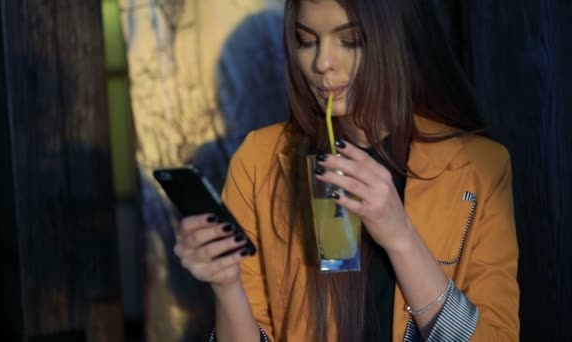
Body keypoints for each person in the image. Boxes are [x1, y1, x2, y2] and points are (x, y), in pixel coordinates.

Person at [173, 0, 519, 341]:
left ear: (396, 40)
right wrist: (226, 285)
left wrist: (400, 236)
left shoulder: (479, 167)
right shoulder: (259, 161)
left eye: (350, 40)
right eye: (307, 41)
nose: (322, 63)